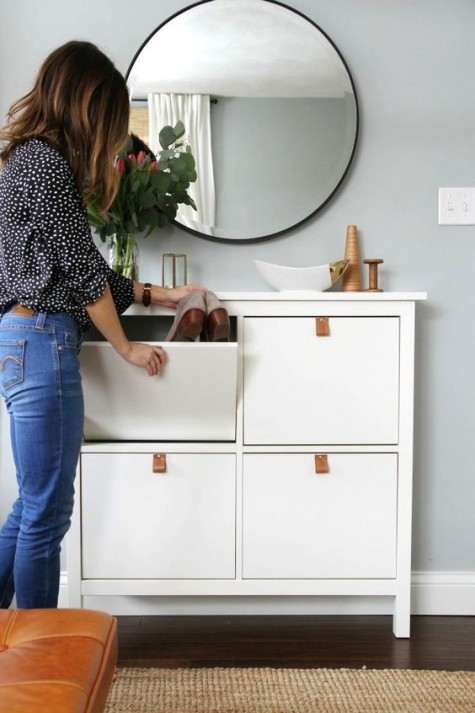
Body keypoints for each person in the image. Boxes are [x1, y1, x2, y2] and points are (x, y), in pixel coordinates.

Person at [0, 40, 203, 609]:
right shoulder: (44, 163)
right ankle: (41, 653)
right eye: (109, 119)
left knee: (32, 504)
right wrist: (126, 348)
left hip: (26, 337)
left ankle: (17, 641)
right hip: (42, 340)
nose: (110, 136)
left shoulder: (29, 160)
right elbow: (85, 273)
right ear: (86, 105)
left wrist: (148, 292)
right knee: (47, 511)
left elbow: (74, 266)